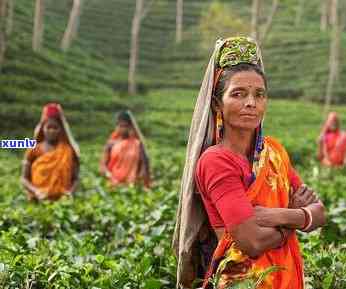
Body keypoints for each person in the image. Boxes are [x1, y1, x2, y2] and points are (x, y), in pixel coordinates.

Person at [173, 37, 326, 289]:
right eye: (238, 94)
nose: (251, 103)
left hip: (283, 276)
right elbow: (252, 242)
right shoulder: (216, 161)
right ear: (217, 104)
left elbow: (320, 213)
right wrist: (297, 219)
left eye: (259, 94)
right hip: (241, 282)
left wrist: (275, 214)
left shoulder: (273, 151)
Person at [21, 103, 80, 201]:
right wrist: (36, 191)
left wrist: (70, 193)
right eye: (49, 127)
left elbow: (76, 178)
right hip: (38, 200)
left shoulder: (69, 151)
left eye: (55, 128)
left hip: (63, 201)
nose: (52, 131)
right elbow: (24, 178)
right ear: (42, 129)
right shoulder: (33, 149)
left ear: (61, 130)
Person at [100, 110, 151, 188]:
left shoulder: (138, 144)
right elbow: (103, 167)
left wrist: (137, 181)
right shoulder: (111, 144)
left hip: (132, 187)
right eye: (120, 126)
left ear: (130, 127)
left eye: (125, 126)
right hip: (113, 185)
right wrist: (110, 176)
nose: (123, 129)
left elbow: (144, 166)